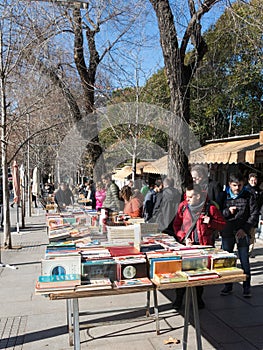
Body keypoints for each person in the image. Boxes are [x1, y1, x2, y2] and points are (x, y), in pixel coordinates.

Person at [172, 184, 226, 309]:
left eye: (191, 196)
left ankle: (198, 299)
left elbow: (222, 224)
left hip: (203, 247)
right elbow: (176, 225)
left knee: (199, 274)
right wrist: (183, 237)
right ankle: (179, 299)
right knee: (181, 273)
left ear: (199, 196)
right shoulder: (183, 207)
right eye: (187, 196)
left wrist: (211, 222)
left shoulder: (210, 208)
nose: (187, 198)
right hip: (186, 247)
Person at [218, 172, 259, 298]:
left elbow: (254, 214)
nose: (237, 188)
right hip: (227, 231)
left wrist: (245, 229)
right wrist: (227, 212)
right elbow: (217, 212)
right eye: (235, 185)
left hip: (242, 232)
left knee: (244, 260)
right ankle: (228, 285)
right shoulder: (223, 195)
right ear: (230, 184)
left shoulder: (249, 195)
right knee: (228, 260)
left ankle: (246, 287)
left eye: (240, 185)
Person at [245, 173, 263, 253]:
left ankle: (250, 251)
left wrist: (262, 217)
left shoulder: (260, 192)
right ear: (249, 181)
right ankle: (243, 249)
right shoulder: (245, 190)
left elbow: (262, 205)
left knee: (252, 234)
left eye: (255, 180)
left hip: (254, 216)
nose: (253, 182)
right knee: (244, 233)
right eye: (252, 180)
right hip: (245, 216)